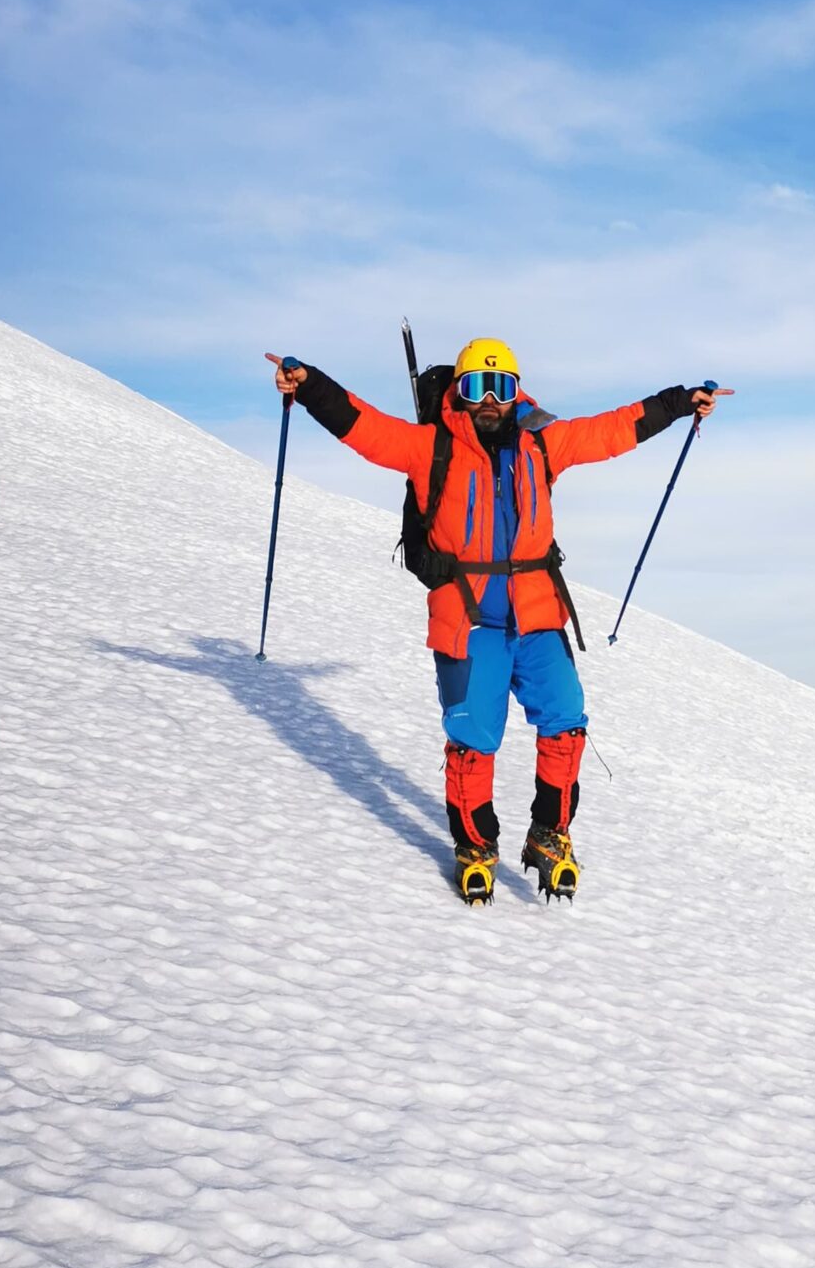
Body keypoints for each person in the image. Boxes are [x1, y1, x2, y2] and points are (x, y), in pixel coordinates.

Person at [267, 339, 729, 902]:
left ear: (517, 393)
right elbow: (362, 426)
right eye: (476, 388)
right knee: (472, 740)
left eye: (502, 388)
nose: (490, 400)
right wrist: (309, 383)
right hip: (468, 620)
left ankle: (549, 834)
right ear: (458, 394)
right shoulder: (427, 447)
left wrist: (680, 401)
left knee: (566, 722)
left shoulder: (543, 444)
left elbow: (612, 430)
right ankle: (475, 844)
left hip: (538, 614)